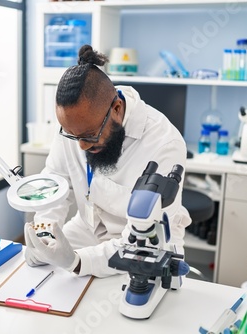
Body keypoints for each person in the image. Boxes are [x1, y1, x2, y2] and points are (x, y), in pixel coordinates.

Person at [24, 45, 191, 277]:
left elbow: (140, 240)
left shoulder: (164, 142)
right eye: (73, 135)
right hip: (87, 228)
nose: (81, 145)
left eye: (89, 135)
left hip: (145, 244)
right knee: (37, 271)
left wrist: (77, 262)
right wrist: (45, 234)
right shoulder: (77, 125)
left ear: (117, 108)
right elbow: (56, 182)